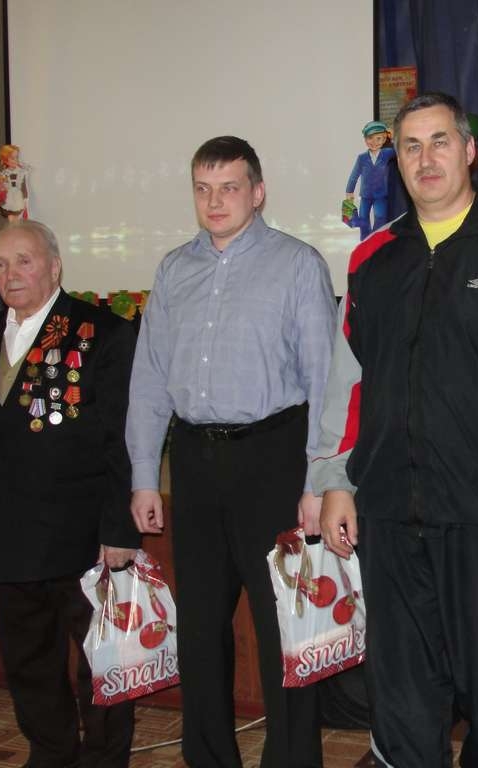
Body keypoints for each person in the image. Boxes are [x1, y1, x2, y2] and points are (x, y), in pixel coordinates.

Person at [313, 92, 478, 768]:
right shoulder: (372, 257)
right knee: (401, 683)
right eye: (411, 146)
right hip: (387, 510)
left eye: (440, 142)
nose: (425, 158)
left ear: (469, 150)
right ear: (396, 161)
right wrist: (334, 479)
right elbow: (348, 379)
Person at [127, 136, 335, 767]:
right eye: (203, 188)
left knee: (284, 629)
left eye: (229, 188)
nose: (214, 201)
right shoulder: (174, 270)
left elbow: (325, 381)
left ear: (258, 192)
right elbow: (149, 380)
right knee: (199, 629)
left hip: (273, 460)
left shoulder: (297, 264)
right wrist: (144, 475)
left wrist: (319, 482)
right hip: (194, 462)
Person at [0, 219, 138, 767]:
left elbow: (123, 441)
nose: (11, 274)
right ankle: (51, 753)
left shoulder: (102, 333)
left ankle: (103, 760)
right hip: (7, 536)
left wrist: (119, 530)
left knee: (102, 662)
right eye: (0, 264)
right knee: (28, 663)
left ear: (54, 266)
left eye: (23, 261)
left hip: (84, 539)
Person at [344, 120, 396, 240]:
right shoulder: (361, 158)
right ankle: (365, 239)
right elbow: (354, 175)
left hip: (381, 195)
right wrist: (349, 191)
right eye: (370, 138)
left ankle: (375, 238)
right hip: (366, 195)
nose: (374, 142)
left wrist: (393, 137)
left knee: (381, 216)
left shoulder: (388, 153)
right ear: (365, 139)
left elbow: (400, 149)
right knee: (363, 218)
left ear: (384, 139)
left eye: (378, 138)